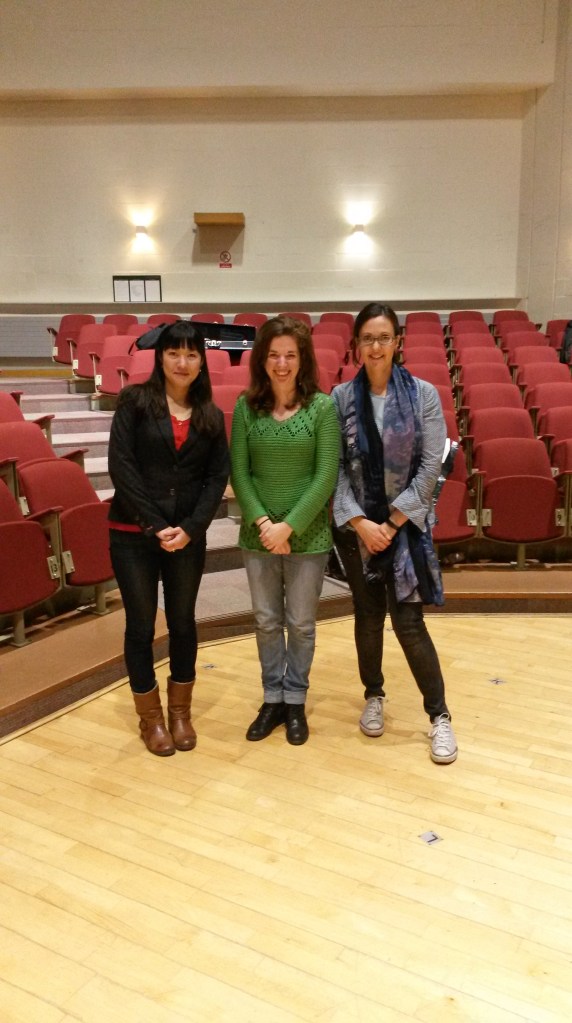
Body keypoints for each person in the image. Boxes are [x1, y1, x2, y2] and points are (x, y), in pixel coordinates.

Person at [331, 302, 457, 764]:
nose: (376, 346)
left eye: (384, 337)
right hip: (358, 531)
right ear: (357, 345)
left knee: (409, 623)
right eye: (368, 338)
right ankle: (374, 695)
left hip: (403, 531)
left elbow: (430, 467)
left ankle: (439, 715)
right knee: (367, 616)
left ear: (397, 342)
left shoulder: (423, 394)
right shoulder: (340, 398)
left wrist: (390, 524)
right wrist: (360, 524)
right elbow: (334, 469)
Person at [108, 321, 230, 756]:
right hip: (133, 533)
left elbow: (217, 476)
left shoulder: (209, 414)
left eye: (191, 354)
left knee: (182, 623)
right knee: (141, 626)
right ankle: (151, 718)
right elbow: (122, 467)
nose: (183, 362)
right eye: (174, 353)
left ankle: (180, 713)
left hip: (186, 538)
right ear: (160, 357)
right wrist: (156, 525)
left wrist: (192, 528)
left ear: (202, 362)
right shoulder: (135, 402)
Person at [230, 316, 340, 745]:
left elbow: (325, 475)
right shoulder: (245, 407)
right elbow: (240, 473)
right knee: (266, 621)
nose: (281, 364)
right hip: (258, 535)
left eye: (290, 355)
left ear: (302, 359)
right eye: (274, 355)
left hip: (307, 536)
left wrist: (289, 526)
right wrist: (264, 524)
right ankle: (272, 698)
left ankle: (295, 700)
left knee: (302, 623)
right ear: (262, 359)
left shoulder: (322, 408)